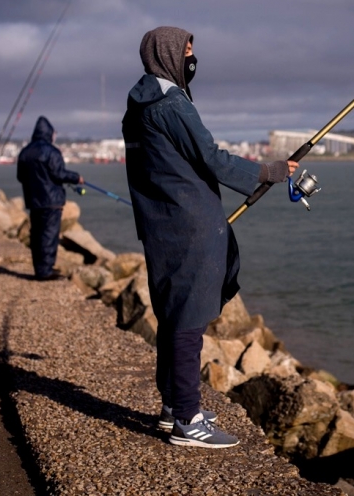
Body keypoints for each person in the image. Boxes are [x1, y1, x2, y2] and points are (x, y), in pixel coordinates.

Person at [122, 26, 297, 448]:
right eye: (187, 50)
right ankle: (186, 419)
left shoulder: (138, 101)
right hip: (189, 225)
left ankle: (171, 408)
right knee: (188, 320)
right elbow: (213, 158)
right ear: (168, 54)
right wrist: (268, 172)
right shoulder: (171, 103)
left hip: (161, 222)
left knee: (173, 314)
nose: (192, 57)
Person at [17, 116, 83, 281]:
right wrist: (76, 178)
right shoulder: (52, 152)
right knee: (49, 234)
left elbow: (20, 176)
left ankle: (39, 268)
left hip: (33, 201)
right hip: (51, 201)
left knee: (37, 234)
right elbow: (58, 174)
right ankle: (45, 271)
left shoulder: (25, 152)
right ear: (49, 134)